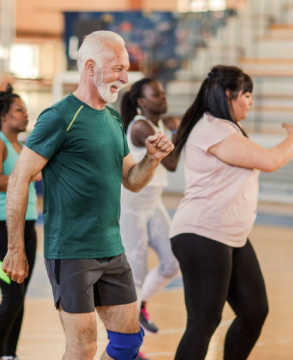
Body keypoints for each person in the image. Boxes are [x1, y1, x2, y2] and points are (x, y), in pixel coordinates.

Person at [1, 31, 174, 360]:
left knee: (127, 343)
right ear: (90, 66)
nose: (125, 78)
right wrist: (16, 249)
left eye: (126, 69)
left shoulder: (112, 118)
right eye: (118, 69)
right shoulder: (59, 117)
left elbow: (132, 181)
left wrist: (152, 159)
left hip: (111, 248)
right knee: (83, 349)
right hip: (71, 251)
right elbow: (18, 179)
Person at [169, 65, 293, 360]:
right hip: (202, 233)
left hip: (231, 236)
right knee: (204, 321)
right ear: (229, 96)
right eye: (247, 94)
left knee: (254, 311)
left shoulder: (224, 128)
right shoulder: (213, 127)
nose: (251, 101)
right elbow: (270, 160)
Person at [0, 84, 40, 360]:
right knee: (12, 296)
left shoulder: (25, 147)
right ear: (3, 115)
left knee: (20, 297)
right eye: (19, 110)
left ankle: (9, 355)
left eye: (25, 110)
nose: (25, 115)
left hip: (27, 228)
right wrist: (26, 178)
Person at [119, 78, 180, 338]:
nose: (163, 97)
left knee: (172, 261)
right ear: (142, 102)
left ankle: (142, 304)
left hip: (153, 202)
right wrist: (178, 131)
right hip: (132, 204)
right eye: (156, 94)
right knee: (137, 273)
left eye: (163, 92)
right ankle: (131, 346)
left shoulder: (156, 124)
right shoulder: (142, 126)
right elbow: (172, 163)